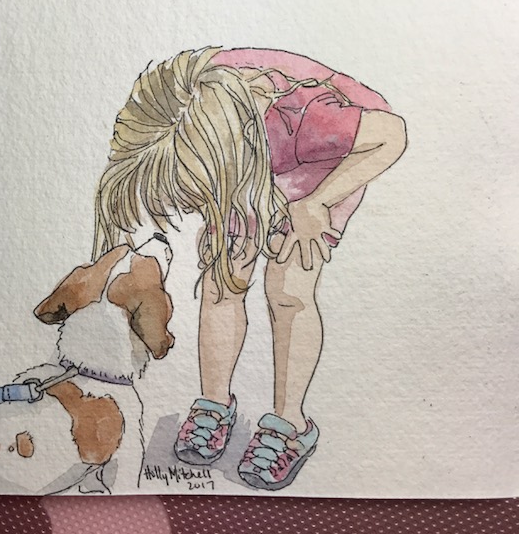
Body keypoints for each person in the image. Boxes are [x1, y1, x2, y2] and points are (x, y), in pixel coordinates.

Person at [92, 47, 407, 490]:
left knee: (288, 286)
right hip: (244, 162)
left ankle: (290, 423)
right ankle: (214, 403)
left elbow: (392, 137)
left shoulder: (307, 121)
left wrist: (316, 203)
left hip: (331, 159)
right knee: (224, 277)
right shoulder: (178, 116)